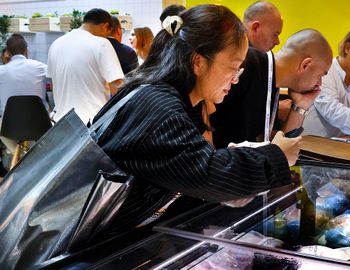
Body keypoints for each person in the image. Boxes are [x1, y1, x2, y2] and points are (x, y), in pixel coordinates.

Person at [93, 4, 301, 236]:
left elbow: (191, 169)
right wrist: (277, 157)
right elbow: (208, 173)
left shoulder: (172, 98)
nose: (235, 80)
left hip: (113, 233)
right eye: (233, 68)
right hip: (81, 247)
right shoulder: (158, 105)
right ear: (198, 62)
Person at [210, 29, 333, 149]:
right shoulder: (246, 63)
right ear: (305, 65)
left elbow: (282, 149)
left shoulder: (273, 84)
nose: (319, 84)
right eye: (320, 75)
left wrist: (301, 105)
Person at [47, 8, 124, 124]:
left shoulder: (56, 44)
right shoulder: (101, 43)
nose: (106, 37)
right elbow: (117, 85)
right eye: (107, 34)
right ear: (105, 26)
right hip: (92, 122)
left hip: (62, 122)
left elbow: (53, 83)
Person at [0, 34, 48, 153]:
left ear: (8, 53)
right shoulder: (40, 67)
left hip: (9, 128)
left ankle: (18, 155)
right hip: (40, 124)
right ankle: (31, 155)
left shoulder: (1, 71)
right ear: (26, 50)